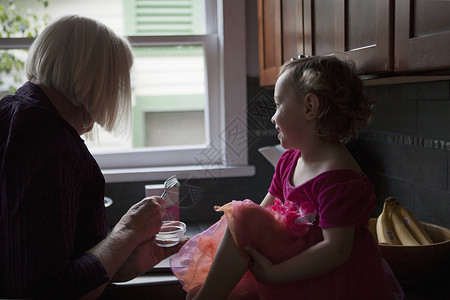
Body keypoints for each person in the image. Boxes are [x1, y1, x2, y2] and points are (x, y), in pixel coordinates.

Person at [170, 56, 404, 299]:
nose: (273, 117)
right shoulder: (289, 161)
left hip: (325, 281)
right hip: (288, 265)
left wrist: (274, 274)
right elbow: (261, 217)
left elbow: (335, 251)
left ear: (309, 107)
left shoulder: (339, 178)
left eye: (278, 105)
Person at [0, 15, 183, 299]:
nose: (117, 94)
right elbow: (51, 290)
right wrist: (127, 231)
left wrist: (127, 259)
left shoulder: (13, 114)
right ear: (93, 82)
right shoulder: (48, 140)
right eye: (117, 83)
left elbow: (68, 265)